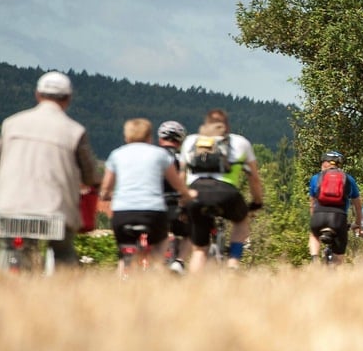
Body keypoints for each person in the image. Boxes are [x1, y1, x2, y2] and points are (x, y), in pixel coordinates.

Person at [0, 71, 100, 267]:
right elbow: (90, 175)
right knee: (63, 252)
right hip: (54, 210)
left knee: (8, 248)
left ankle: (3, 286)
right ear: (68, 99)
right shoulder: (74, 131)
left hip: (10, 205)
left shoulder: (11, 124)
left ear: (37, 95)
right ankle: (62, 292)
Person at [100, 118, 196, 274]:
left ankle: (120, 282)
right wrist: (187, 195)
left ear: (126, 137)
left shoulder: (116, 154)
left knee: (124, 256)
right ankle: (159, 268)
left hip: (122, 213)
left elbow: (105, 190)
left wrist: (110, 195)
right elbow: (178, 184)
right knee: (161, 241)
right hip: (153, 212)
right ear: (149, 137)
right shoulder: (160, 155)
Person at [181, 109, 264, 272]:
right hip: (227, 194)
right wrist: (257, 201)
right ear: (227, 125)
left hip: (196, 194)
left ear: (205, 124)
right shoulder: (240, 142)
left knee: (199, 250)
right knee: (241, 222)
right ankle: (233, 263)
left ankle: (192, 291)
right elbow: (253, 177)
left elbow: (180, 175)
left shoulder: (190, 141)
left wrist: (182, 203)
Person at [308, 150, 362, 265]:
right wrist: (357, 223)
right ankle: (334, 271)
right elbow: (358, 206)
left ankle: (314, 259)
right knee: (339, 254)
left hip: (319, 215)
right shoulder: (348, 179)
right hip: (338, 217)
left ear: (324, 163)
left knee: (314, 234)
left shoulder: (315, 178)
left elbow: (312, 204)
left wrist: (314, 219)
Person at [157, 120, 190, 274]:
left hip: (148, 204)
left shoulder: (151, 156)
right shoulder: (178, 160)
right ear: (180, 140)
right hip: (170, 205)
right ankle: (179, 262)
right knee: (191, 232)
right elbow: (182, 183)